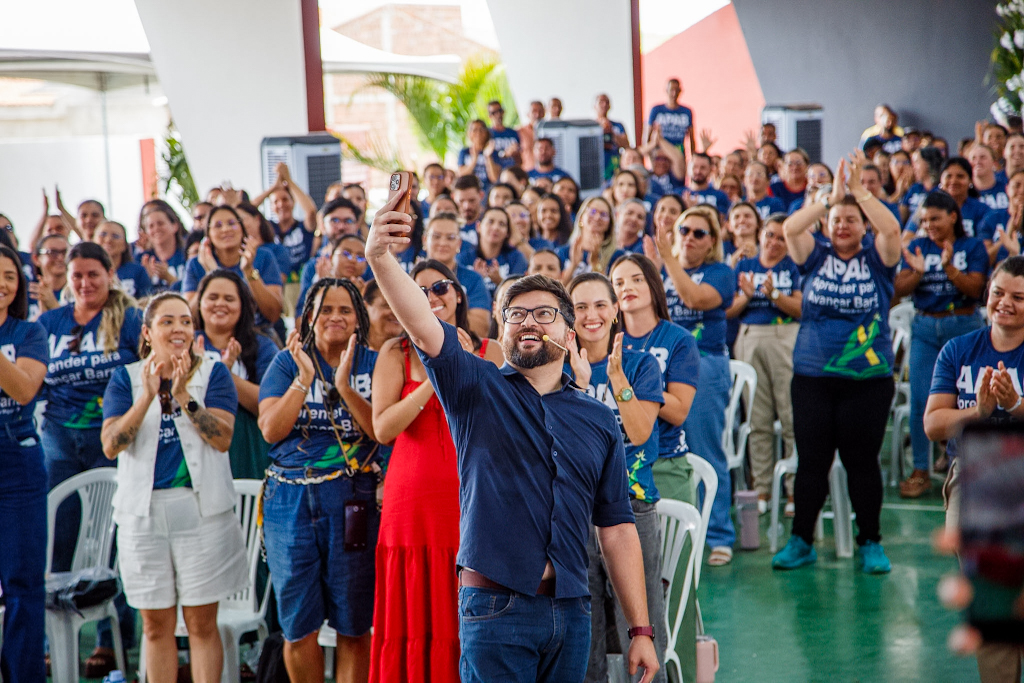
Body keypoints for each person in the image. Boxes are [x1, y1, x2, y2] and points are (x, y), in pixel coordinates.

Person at [365, 190, 659, 683]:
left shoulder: (598, 418)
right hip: (494, 610)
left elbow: (616, 528)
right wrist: (379, 256)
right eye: (515, 314)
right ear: (501, 332)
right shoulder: (473, 386)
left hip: (572, 610)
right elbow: (421, 323)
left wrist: (641, 630)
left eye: (544, 314)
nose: (528, 321)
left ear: (569, 335)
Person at [100, 292, 247, 683]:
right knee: (154, 626)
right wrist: (148, 395)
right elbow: (111, 445)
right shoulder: (126, 378)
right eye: (167, 321)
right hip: (142, 516)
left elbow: (222, 439)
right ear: (148, 332)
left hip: (202, 514)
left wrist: (183, 395)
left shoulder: (213, 374)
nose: (179, 328)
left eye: (185, 320)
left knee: (201, 624)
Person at [369, 261, 503, 682]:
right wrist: (437, 371)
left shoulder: (491, 351)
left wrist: (465, 361)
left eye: (440, 287)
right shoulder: (395, 352)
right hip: (411, 507)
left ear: (458, 294)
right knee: (413, 610)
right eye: (419, 289)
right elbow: (383, 428)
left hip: (472, 501)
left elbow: (504, 423)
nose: (431, 296)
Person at [773, 157, 902, 573]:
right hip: (813, 376)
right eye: (836, 220)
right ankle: (802, 541)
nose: (843, 225)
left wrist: (859, 193)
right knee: (812, 461)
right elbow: (791, 229)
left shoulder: (878, 259)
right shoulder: (815, 256)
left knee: (862, 462)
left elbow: (892, 230)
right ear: (826, 225)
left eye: (851, 220)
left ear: (864, 225)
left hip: (868, 379)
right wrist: (829, 198)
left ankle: (871, 541)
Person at [258, 278, 380, 683]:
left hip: (352, 497)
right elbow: (271, 430)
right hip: (288, 500)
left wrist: (344, 386)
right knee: (298, 626)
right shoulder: (287, 362)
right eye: (326, 309)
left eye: (345, 310)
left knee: (354, 623)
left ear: (359, 318)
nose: (335, 317)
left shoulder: (374, 363)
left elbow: (381, 432)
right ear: (308, 315)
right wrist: (303, 378)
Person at [39, 241, 142, 675]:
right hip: (59, 441)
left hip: (112, 440)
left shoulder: (131, 319)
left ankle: (110, 638)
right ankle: (53, 638)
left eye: (93, 274)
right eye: (77, 275)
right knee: (58, 540)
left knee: (112, 540)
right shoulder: (49, 323)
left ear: (109, 275)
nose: (84, 283)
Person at [924, 255, 1024, 683]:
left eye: (1019, 297)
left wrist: (1015, 405)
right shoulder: (958, 350)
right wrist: (977, 412)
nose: (1005, 303)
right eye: (998, 293)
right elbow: (933, 424)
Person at [566, 273, 667, 683]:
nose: (590, 315)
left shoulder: (642, 364)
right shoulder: (557, 369)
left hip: (631, 507)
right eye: (580, 307)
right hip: (574, 512)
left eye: (599, 305)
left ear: (614, 311)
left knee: (640, 628)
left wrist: (618, 380)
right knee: (582, 635)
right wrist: (576, 383)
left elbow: (640, 433)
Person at [608, 253, 700, 682]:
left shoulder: (677, 339)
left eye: (635, 279)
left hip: (665, 466)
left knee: (671, 588)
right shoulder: (607, 340)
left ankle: (680, 672)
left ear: (652, 286)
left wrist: (632, 387)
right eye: (618, 282)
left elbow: (679, 411)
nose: (626, 287)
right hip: (614, 472)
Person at [656, 205, 737, 565]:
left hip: (704, 363)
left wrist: (666, 259)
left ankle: (718, 534)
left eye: (698, 233)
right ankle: (672, 530)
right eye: (684, 230)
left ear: (712, 241)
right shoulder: (661, 269)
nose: (689, 237)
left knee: (705, 450)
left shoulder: (721, 272)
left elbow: (693, 298)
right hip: (661, 364)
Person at [894, 191, 988, 497]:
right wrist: (918, 272)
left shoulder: (972, 246)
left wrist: (949, 269)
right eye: (923, 220)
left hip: (964, 326)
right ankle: (920, 470)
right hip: (925, 327)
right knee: (921, 399)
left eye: (935, 218)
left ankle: (968, 468)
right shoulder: (917, 246)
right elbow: (898, 289)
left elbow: (976, 290)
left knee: (968, 401)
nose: (928, 225)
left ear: (953, 217)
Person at [726, 214, 803, 510]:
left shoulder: (793, 266)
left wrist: (774, 295)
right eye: (770, 235)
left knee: (790, 414)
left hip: (785, 336)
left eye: (781, 237)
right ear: (760, 235)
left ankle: (794, 490)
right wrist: (746, 297)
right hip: (749, 336)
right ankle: (762, 490)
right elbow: (728, 309)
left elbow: (801, 308)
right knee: (757, 419)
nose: (774, 242)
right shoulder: (744, 265)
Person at [0, 245, 49, 682]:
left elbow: (23, 391)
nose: (2, 283)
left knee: (22, 582)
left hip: (17, 463)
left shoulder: (30, 333)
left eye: (9, 276)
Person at [193, 270, 279, 479]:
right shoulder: (187, 343)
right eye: (213, 297)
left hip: (248, 451)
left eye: (229, 299)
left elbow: (270, 406)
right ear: (200, 303)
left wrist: (224, 374)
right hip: (195, 449)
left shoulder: (263, 346)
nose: (220, 304)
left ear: (242, 306)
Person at [182, 205, 283, 330]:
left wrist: (249, 271)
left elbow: (273, 314)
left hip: (257, 331)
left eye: (231, 223)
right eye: (218, 225)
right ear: (208, 235)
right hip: (210, 335)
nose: (225, 229)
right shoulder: (195, 263)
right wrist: (211, 275)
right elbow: (188, 318)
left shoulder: (263, 256)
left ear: (242, 229)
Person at [422, 212, 493, 337]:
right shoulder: (411, 278)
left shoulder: (473, 279)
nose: (443, 243)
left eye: (450, 238)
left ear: (459, 243)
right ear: (425, 240)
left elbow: (481, 327)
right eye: (436, 236)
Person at [907, 157, 990, 239]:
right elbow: (906, 239)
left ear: (970, 180)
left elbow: (984, 243)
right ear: (940, 180)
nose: (953, 181)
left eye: (960, 176)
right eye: (948, 176)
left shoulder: (982, 210)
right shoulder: (926, 207)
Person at [459, 207, 529, 296]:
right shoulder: (463, 258)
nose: (496, 228)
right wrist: (476, 280)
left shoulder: (516, 258)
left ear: (507, 233)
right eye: (490, 222)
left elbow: (521, 295)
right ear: (478, 226)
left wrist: (500, 281)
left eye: (502, 224)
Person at [558, 196, 623, 282]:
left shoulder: (617, 255)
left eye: (603, 214)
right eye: (593, 211)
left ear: (609, 224)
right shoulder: (563, 252)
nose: (597, 217)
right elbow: (556, 288)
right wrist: (573, 265)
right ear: (581, 218)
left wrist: (595, 263)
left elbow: (612, 289)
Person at [138, 200, 188, 292]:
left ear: (175, 226)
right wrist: (146, 279)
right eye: (151, 226)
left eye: (160, 223)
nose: (156, 229)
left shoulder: (187, 254)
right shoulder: (141, 259)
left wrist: (169, 278)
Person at [96, 221, 152, 299]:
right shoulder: (84, 271)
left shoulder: (138, 271)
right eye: (103, 234)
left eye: (115, 236)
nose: (108, 240)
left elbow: (146, 301)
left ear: (125, 245)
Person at [645, 78, 696, 161]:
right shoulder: (656, 110)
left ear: (680, 91)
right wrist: (648, 157)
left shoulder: (686, 112)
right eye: (671, 90)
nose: (674, 93)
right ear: (666, 90)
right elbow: (647, 136)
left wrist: (693, 159)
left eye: (676, 90)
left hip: (679, 153)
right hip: (660, 154)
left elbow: (691, 138)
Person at [30, 233, 69, 319]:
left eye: (65, 252)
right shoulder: (27, 292)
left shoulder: (78, 291)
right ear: (36, 258)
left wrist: (53, 305)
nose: (60, 258)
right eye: (52, 252)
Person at [458, 120, 501, 191]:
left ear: (486, 132)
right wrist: (474, 159)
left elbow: (495, 178)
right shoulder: (464, 152)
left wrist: (488, 157)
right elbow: (461, 176)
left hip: (488, 189)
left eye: (481, 129)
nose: (478, 133)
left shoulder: (493, 152)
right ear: (469, 133)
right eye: (475, 130)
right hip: (469, 190)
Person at [595, 93, 630, 180]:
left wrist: (611, 131)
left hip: (613, 163)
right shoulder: (591, 126)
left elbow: (626, 145)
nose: (604, 105)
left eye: (607, 102)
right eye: (601, 102)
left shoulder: (617, 125)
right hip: (596, 163)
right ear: (595, 106)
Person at [363, 280, 404, 352]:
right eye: (387, 305)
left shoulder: (415, 354)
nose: (396, 313)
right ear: (365, 308)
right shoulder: (351, 351)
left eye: (402, 308)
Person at [969, 144, 1010, 211]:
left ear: (994, 162)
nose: (978, 162)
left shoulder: (1007, 189)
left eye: (983, 157)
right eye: (973, 158)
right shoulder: (966, 194)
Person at [487, 101, 521, 168]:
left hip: (514, 169)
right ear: (490, 116)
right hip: (497, 170)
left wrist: (515, 153)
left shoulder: (513, 133)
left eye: (500, 111)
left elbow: (520, 159)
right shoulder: (487, 134)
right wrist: (505, 154)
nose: (498, 115)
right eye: (494, 113)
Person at [518, 100, 545, 171]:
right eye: (534, 111)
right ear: (528, 114)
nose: (537, 114)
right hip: (527, 172)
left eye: (540, 111)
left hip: (546, 173)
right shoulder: (520, 132)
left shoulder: (550, 131)